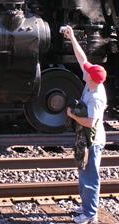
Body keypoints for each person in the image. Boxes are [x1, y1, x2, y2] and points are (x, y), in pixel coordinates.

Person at [62, 25, 107, 224]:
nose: (85, 71)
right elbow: (83, 59)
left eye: (87, 72)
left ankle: (90, 215)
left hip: (92, 141)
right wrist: (72, 37)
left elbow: (91, 121)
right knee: (83, 175)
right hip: (86, 138)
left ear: (91, 79)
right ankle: (87, 208)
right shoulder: (93, 81)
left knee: (90, 179)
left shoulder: (96, 96)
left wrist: (72, 115)